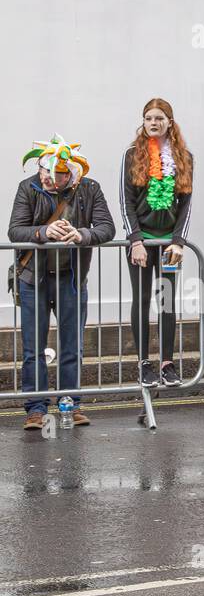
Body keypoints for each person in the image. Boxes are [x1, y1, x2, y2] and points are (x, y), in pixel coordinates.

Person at [10, 135, 115, 430]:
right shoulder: (27, 187)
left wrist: (82, 235)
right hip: (33, 279)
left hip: (71, 278)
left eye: (54, 175)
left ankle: (71, 404)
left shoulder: (90, 189)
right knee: (33, 348)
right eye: (43, 172)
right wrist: (44, 232)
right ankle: (35, 408)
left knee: (72, 347)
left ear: (69, 174)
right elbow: (15, 231)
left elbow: (106, 227)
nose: (46, 179)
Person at [120, 98, 194, 389]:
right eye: (148, 118)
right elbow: (125, 201)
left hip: (168, 244)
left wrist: (178, 242)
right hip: (142, 242)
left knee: (166, 301)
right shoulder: (131, 155)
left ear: (169, 123)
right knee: (141, 300)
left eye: (159, 118)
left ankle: (167, 363)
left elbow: (187, 204)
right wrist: (135, 240)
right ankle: (143, 363)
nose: (153, 122)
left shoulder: (184, 156)